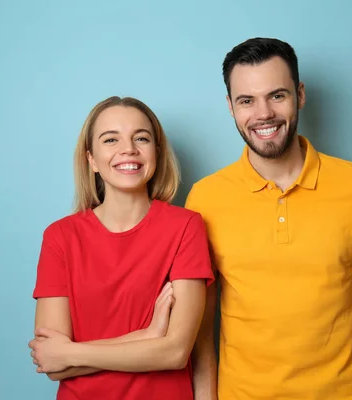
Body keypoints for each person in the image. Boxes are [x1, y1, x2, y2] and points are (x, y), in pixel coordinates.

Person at [186, 38, 352, 399]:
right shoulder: (205, 198)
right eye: (246, 100)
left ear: (299, 94)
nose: (263, 114)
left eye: (277, 95)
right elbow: (201, 331)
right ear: (230, 107)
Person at [28, 96, 216, 400]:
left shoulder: (185, 227)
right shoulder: (59, 236)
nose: (128, 149)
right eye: (110, 139)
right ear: (91, 159)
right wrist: (147, 336)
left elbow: (175, 352)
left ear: (157, 151)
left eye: (141, 138)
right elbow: (53, 364)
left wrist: (72, 353)